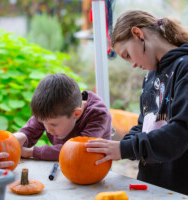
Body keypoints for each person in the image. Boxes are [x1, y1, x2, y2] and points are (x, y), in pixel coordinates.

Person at [85, 10, 188, 195]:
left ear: (138, 34)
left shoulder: (184, 68)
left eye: (127, 55)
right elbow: (144, 127)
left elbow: (181, 132)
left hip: (180, 189)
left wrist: (124, 148)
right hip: (150, 187)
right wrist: (113, 149)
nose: (131, 64)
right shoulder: (149, 78)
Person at [14, 73, 112, 161]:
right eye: (43, 123)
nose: (48, 130)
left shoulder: (98, 114)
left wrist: (32, 152)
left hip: (91, 166)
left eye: (53, 124)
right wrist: (21, 137)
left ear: (76, 113)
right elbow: (30, 131)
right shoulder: (50, 111)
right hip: (65, 162)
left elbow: (78, 149)